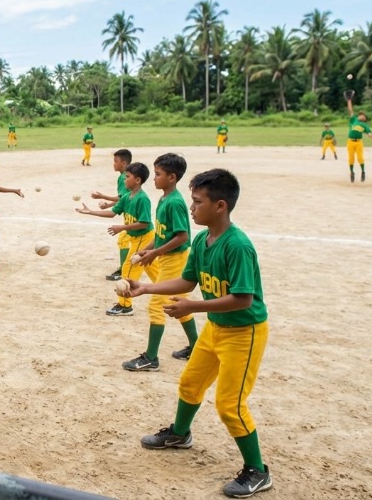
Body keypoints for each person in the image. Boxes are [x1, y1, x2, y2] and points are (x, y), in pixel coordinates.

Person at [126, 168, 272, 498]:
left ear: (220, 206)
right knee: (190, 383)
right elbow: (187, 281)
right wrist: (146, 288)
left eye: (197, 202)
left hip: (244, 333)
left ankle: (257, 471)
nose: (191, 208)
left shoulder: (237, 245)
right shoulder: (202, 240)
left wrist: (193, 307)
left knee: (230, 404)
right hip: (216, 328)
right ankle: (180, 434)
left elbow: (243, 299)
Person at [124, 153, 198, 370]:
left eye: (158, 174)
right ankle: (196, 346)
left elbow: (182, 237)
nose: (154, 178)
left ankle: (151, 358)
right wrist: (147, 250)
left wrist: (155, 253)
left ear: (172, 177)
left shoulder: (174, 202)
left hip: (175, 259)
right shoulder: (164, 199)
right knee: (178, 301)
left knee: (156, 305)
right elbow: (161, 233)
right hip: (168, 258)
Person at [76, 162, 153, 316]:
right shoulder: (127, 196)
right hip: (137, 238)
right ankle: (169, 290)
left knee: (128, 269)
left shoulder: (142, 199)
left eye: (128, 176)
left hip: (144, 238)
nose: (124, 179)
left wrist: (122, 228)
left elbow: (144, 223)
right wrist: (90, 212)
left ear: (138, 180)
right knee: (153, 268)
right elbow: (112, 213)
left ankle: (125, 306)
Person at [89, 149, 133, 281]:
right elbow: (123, 198)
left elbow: (123, 198)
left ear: (124, 163)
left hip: (132, 215)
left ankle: (124, 271)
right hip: (129, 214)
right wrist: (108, 205)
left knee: (124, 239)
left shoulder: (124, 177)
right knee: (126, 240)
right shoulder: (126, 176)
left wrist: (102, 196)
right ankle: (126, 268)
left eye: (116, 161)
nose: (114, 164)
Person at [346, 97, 372, 182]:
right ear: (359, 116)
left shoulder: (364, 125)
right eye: (362, 115)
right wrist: (349, 101)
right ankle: (352, 173)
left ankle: (363, 172)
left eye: (364, 116)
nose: (363, 117)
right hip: (350, 142)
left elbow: (368, 132)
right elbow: (350, 110)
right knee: (351, 158)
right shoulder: (353, 120)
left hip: (359, 143)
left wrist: (371, 136)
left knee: (360, 158)